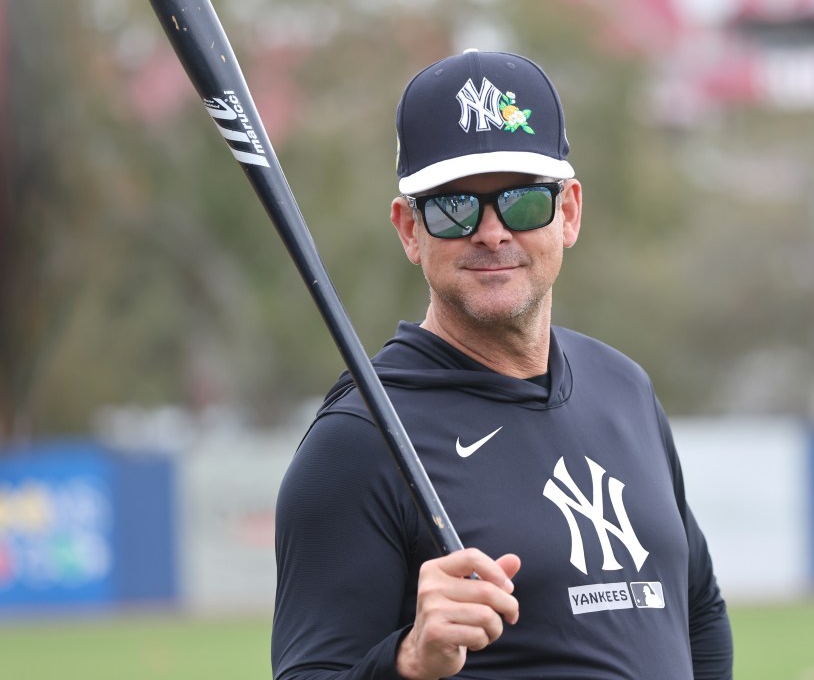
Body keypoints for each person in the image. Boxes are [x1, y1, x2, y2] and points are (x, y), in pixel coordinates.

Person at [272, 49, 733, 680]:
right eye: (454, 206)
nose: (491, 232)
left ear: (567, 213)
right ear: (410, 229)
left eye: (521, 202)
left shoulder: (624, 387)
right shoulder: (362, 440)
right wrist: (406, 661)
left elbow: (697, 612)